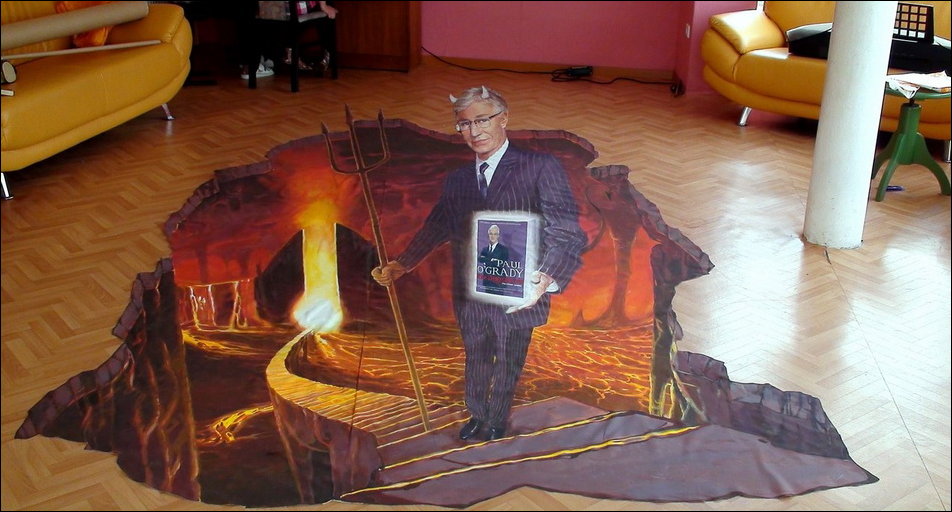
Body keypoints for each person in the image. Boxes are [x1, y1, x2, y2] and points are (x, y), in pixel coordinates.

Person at [372, 86, 587, 442]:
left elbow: (566, 230)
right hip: (471, 289)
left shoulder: (539, 167)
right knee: (476, 354)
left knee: (508, 358)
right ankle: (477, 415)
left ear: (504, 118)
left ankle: (496, 419)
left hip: (520, 288)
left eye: (483, 120)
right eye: (465, 124)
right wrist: (403, 264)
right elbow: (438, 225)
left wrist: (545, 277)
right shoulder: (457, 179)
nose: (474, 131)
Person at [478, 224, 509, 293]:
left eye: (495, 234)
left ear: (498, 236)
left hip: (498, 283)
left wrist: (486, 259)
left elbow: (501, 263)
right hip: (487, 281)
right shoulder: (484, 249)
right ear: (488, 235)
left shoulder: (504, 249)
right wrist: (491, 260)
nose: (493, 236)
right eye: (491, 234)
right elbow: (480, 259)